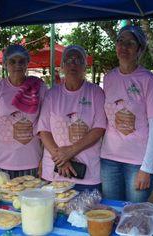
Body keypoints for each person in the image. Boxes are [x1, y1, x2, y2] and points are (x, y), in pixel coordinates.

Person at [100, 25, 153, 202]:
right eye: (121, 41)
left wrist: (147, 168)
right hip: (109, 159)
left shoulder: (149, 80)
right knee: (113, 212)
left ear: (140, 49)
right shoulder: (109, 78)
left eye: (131, 43)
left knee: (134, 216)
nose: (124, 47)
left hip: (137, 162)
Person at [37, 45, 106, 192]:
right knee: (55, 213)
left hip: (88, 172)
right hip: (56, 170)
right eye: (68, 60)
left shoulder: (96, 93)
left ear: (85, 66)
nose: (72, 64)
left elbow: (99, 129)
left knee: (87, 214)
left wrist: (70, 151)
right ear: (62, 65)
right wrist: (61, 158)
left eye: (78, 60)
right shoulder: (52, 94)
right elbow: (44, 130)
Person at [0, 44, 48, 179]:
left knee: (30, 200)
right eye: (12, 62)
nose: (17, 65)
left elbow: (46, 127)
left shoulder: (39, 88)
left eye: (21, 61)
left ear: (27, 64)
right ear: (6, 64)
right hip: (1, 161)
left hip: (32, 161)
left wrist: (44, 159)